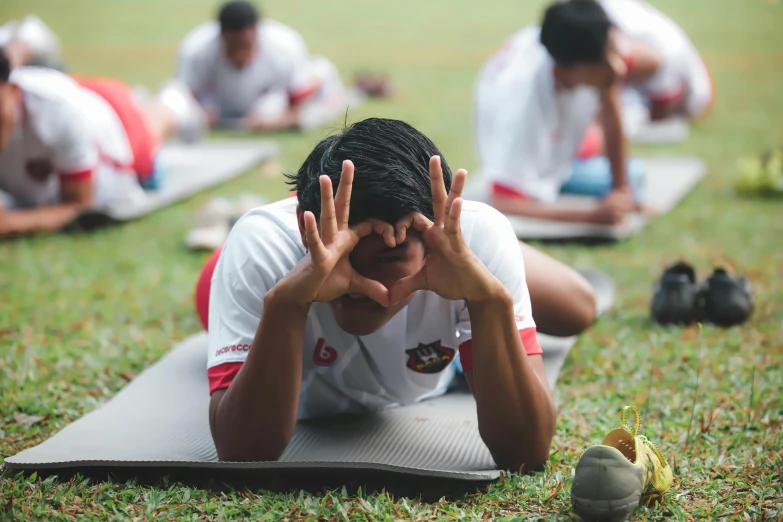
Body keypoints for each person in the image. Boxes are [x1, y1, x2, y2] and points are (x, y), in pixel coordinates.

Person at [195, 117, 599, 470]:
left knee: (578, 308)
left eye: (388, 261)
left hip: (441, 282)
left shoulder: (474, 240)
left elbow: (526, 453)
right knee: (224, 277)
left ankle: (475, 261)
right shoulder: (264, 254)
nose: (363, 283)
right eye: (342, 257)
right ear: (306, 234)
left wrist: (488, 300)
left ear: (432, 243)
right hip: (259, 259)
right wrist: (286, 303)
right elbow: (243, 454)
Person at [474, 0, 713, 225]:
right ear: (571, 69)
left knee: (632, 175)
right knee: (620, 170)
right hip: (529, 140)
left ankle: (586, 153)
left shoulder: (591, 54)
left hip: (559, 120)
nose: (618, 66)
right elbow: (504, 202)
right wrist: (592, 214)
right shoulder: (523, 106)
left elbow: (617, 103)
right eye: (607, 61)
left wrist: (621, 192)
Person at [0, 51, 201, 237]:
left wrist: (11, 223)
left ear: (13, 91)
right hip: (73, 93)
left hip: (116, 125)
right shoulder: (15, 100)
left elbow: (80, 207)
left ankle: (176, 100)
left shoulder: (57, 112)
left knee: (151, 138)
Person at [174, 0, 354, 133]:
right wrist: (201, 113)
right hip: (219, 102)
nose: (240, 54)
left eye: (244, 46)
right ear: (221, 35)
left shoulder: (284, 45)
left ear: (255, 33)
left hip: (269, 100)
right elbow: (185, 92)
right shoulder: (196, 48)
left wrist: (279, 121)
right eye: (233, 46)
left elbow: (298, 102)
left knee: (318, 89)